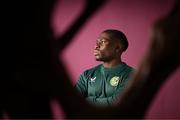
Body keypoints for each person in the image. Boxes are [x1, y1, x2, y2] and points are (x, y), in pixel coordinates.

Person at [75, 29, 134, 107]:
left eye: (102, 42)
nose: (96, 46)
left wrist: (87, 100)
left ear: (117, 47)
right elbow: (73, 101)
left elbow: (118, 103)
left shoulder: (131, 75)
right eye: (97, 42)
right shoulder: (87, 75)